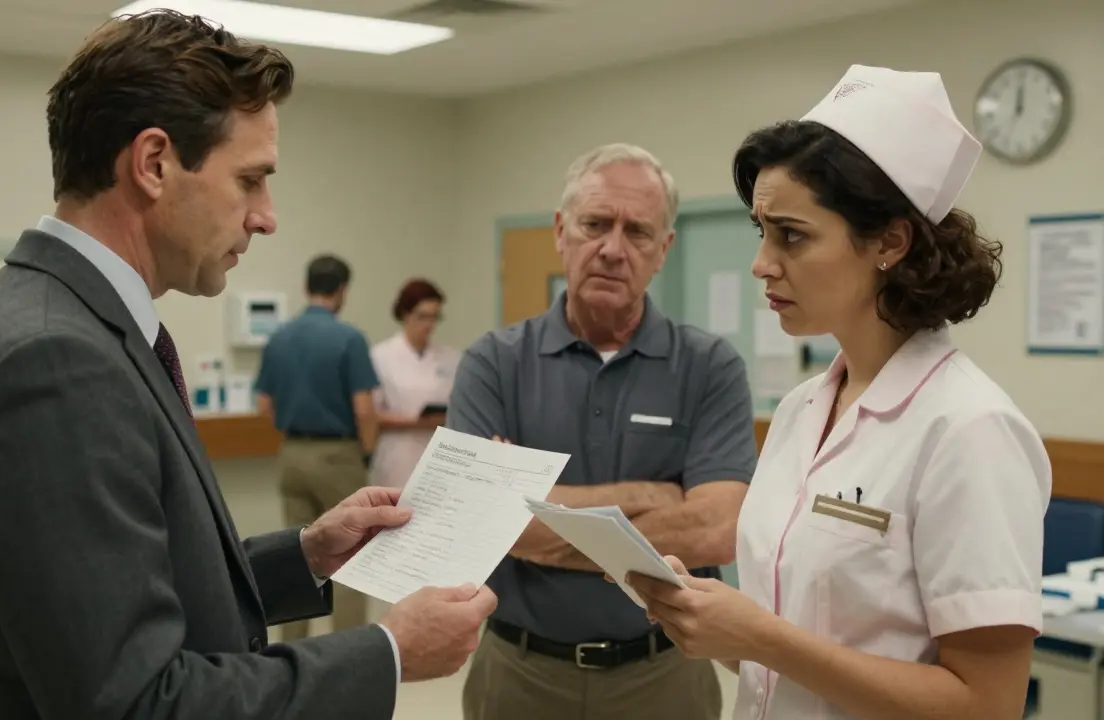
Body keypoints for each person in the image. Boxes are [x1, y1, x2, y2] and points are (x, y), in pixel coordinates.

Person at [0, 11, 496, 720]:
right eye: (250, 180)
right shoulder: (51, 362)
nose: (267, 215)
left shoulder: (66, 321)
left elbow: (124, 591)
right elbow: (136, 703)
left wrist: (306, 555)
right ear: (154, 163)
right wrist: (391, 652)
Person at [629, 64, 1051, 720]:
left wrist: (759, 636)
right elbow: (789, 653)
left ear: (889, 241)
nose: (761, 263)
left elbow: (986, 705)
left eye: (791, 235)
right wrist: (708, 620)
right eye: (760, 232)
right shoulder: (801, 410)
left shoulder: (968, 429)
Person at [446, 142, 757, 720]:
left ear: (663, 250)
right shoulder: (493, 363)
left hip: (665, 673)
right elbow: (476, 519)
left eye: (637, 232)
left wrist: (533, 517)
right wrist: (649, 497)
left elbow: (718, 529)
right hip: (520, 672)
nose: (612, 249)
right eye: (595, 224)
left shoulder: (710, 367)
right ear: (561, 231)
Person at [254, 254, 381, 640]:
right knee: (352, 554)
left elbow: (264, 406)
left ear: (306, 286)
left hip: (291, 454)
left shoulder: (278, 337)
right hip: (337, 455)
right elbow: (364, 410)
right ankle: (350, 648)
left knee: (293, 554)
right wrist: (365, 454)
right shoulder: (349, 338)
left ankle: (290, 651)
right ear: (341, 290)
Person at [370, 278, 458, 491]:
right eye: (422, 317)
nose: (429, 324)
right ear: (404, 315)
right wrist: (416, 421)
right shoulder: (380, 356)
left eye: (435, 317)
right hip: (397, 454)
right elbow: (372, 414)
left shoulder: (451, 357)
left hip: (438, 453)